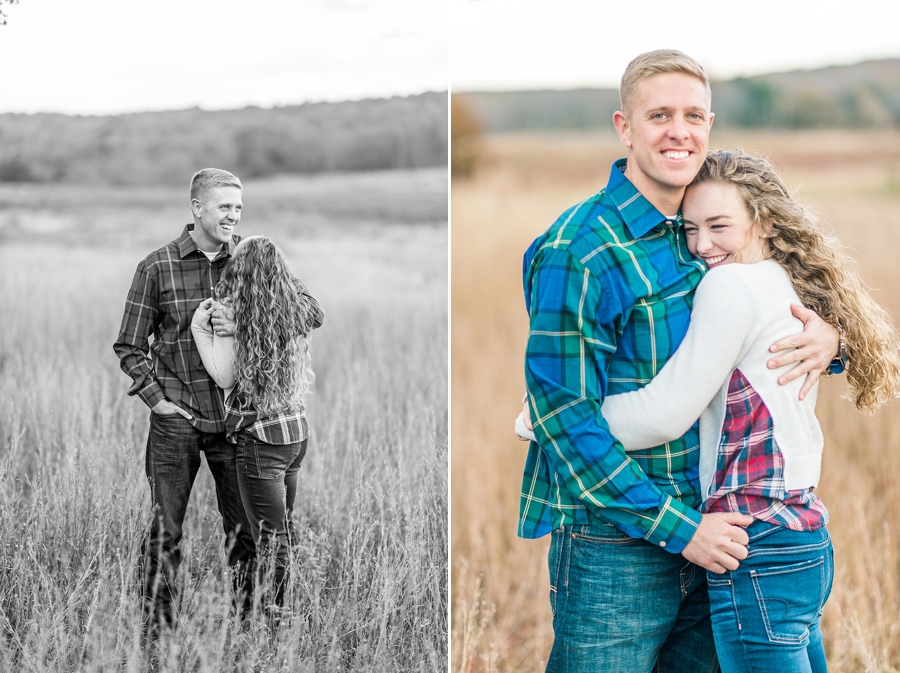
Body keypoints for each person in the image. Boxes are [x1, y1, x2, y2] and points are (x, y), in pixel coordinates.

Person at [518, 50, 842, 673]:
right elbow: (564, 417)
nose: (679, 130)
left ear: (710, 125)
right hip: (621, 538)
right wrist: (681, 530)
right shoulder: (580, 249)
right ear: (624, 126)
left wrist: (829, 344)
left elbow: (756, 328)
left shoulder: (708, 231)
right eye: (659, 114)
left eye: (694, 115)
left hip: (720, 526)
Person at [113, 168, 317, 635]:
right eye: (225, 207)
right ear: (197, 208)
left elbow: (311, 312)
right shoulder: (157, 267)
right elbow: (128, 345)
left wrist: (247, 324)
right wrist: (159, 402)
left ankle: (249, 629)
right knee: (166, 532)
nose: (233, 216)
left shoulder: (252, 258)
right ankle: (157, 633)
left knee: (245, 533)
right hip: (177, 421)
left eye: (239, 208)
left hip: (237, 426)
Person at [190, 235, 322, 617]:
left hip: (262, 440)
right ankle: (279, 605)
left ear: (240, 273)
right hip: (295, 433)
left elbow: (224, 376)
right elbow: (317, 310)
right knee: (283, 528)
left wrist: (202, 331)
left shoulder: (237, 319)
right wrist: (275, 264)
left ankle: (273, 611)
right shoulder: (290, 313)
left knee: (269, 535)